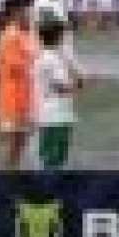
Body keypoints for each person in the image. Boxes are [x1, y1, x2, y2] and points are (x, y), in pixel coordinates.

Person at [0, 0, 38, 173]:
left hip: (27, 96)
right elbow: (15, 68)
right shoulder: (11, 35)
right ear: (15, 12)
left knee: (20, 145)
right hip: (14, 99)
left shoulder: (28, 33)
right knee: (15, 145)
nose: (31, 12)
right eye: (27, 9)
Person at [32, 12, 81, 173]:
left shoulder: (42, 57)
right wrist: (77, 85)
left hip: (48, 112)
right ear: (58, 36)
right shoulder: (52, 59)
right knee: (55, 157)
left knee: (50, 156)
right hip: (56, 113)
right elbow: (61, 86)